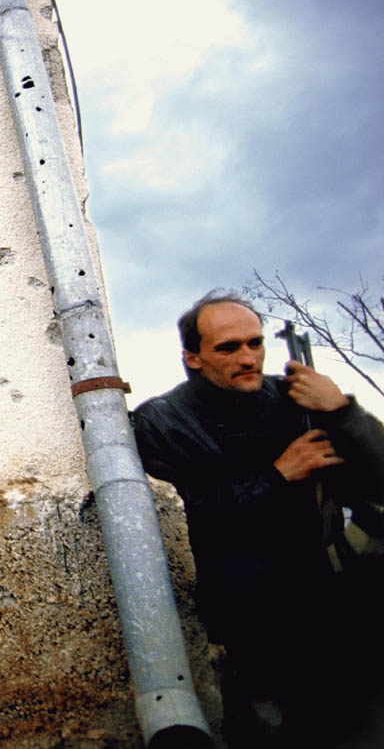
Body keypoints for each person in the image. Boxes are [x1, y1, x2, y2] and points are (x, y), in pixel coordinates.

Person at [131, 290, 384, 746]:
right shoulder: (160, 423)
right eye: (228, 348)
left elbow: (379, 482)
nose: (248, 357)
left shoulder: (297, 401)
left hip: (328, 599)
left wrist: (343, 412)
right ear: (193, 357)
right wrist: (276, 476)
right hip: (241, 622)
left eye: (255, 343)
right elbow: (180, 526)